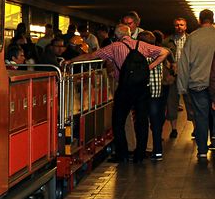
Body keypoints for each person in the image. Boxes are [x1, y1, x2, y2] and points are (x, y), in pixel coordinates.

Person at [69, 24, 168, 163]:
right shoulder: (141, 44)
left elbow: (92, 56)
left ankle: (123, 154)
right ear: (129, 34)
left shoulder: (114, 47)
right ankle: (139, 155)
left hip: (125, 88)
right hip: (142, 88)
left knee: (118, 121)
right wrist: (149, 67)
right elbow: (164, 52)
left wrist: (71, 61)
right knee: (142, 121)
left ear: (116, 35)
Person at [178, 9, 215, 159]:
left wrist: (182, 86)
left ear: (199, 21)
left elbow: (184, 64)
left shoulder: (192, 38)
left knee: (200, 116)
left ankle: (201, 150)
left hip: (197, 84)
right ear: (212, 20)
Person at [138, 31, 171, 160]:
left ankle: (142, 150)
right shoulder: (159, 53)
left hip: (143, 92)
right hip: (156, 93)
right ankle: (158, 151)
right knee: (156, 123)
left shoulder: (140, 55)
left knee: (142, 122)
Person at [164, 17, 189, 139]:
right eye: (177, 25)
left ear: (186, 26)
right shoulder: (167, 41)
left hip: (188, 75)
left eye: (181, 25)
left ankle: (195, 128)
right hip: (172, 76)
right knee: (172, 102)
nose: (179, 27)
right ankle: (174, 129)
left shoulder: (191, 40)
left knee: (190, 102)